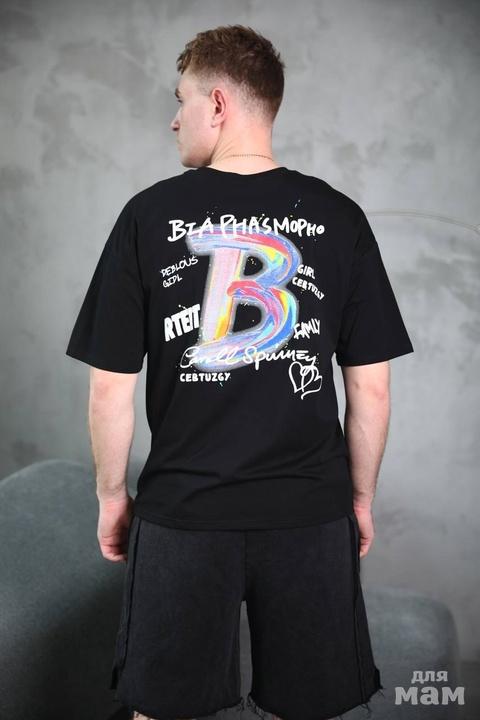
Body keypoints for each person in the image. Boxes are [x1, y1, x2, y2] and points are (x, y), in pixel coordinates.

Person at [65, 24, 414, 720]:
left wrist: (111, 498)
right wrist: (359, 500)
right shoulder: (341, 218)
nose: (175, 119)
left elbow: (110, 386)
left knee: (160, 710)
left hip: (184, 514)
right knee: (313, 708)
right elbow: (370, 387)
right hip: (310, 514)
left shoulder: (146, 216)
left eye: (182, 100)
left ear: (218, 104)